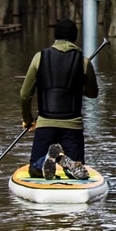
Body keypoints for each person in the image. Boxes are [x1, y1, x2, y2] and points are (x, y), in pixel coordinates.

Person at [21, 18, 98, 180]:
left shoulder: (39, 57)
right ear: (75, 37)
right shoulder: (83, 62)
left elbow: (25, 94)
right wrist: (77, 84)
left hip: (45, 124)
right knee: (76, 172)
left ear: (55, 35)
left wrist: (28, 120)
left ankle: (43, 161)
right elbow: (92, 93)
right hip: (73, 126)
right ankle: (68, 164)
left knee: (34, 171)